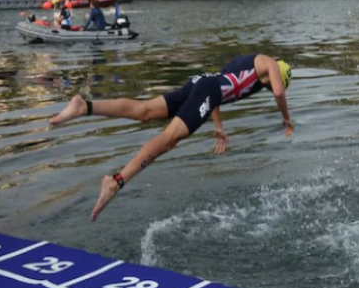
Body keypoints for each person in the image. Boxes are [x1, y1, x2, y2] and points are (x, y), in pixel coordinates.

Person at [48, 54, 293, 221]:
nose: (270, 88)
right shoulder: (269, 62)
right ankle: (116, 181)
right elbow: (279, 93)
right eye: (271, 84)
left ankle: (85, 107)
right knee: (169, 139)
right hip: (207, 90)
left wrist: (218, 126)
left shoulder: (248, 64)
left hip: (201, 83)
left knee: (144, 111)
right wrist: (286, 118)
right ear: (279, 73)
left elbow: (217, 85)